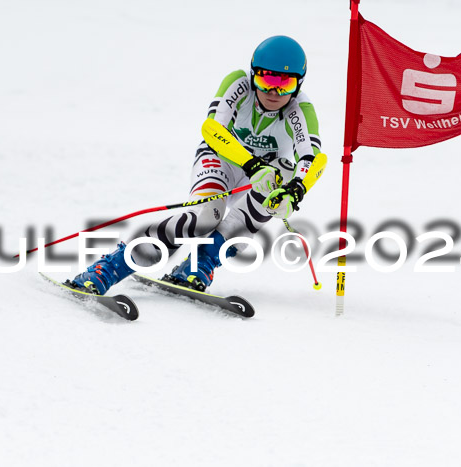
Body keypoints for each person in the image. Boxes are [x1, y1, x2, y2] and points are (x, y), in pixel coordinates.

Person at [68, 35, 324, 295]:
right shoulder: (239, 83)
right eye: (266, 80)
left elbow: (312, 159)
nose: (273, 91)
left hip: (261, 175)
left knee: (275, 184)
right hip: (222, 159)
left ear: (299, 83)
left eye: (285, 84)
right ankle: (110, 267)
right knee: (203, 218)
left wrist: (296, 191)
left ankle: (199, 265)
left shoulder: (300, 109)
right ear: (252, 74)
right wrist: (252, 165)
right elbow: (212, 129)